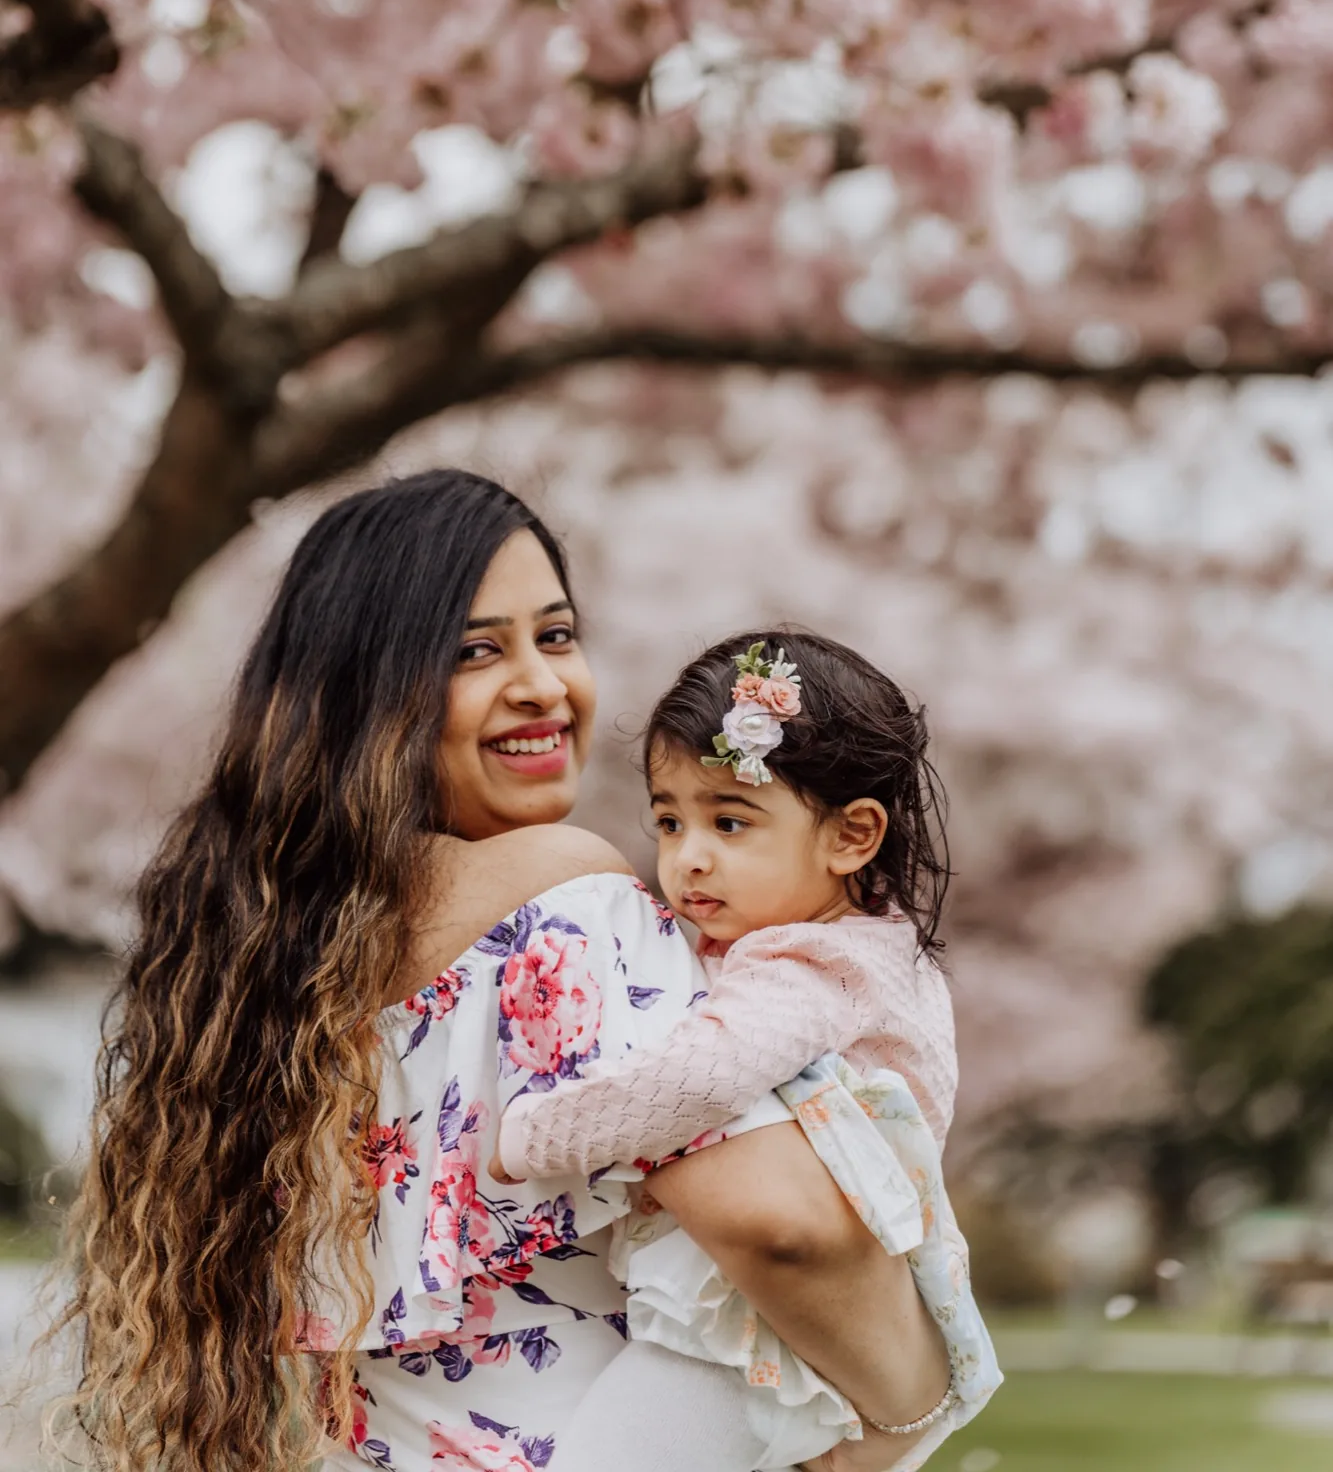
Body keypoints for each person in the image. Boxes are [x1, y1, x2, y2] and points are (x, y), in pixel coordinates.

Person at [53, 471, 950, 1472]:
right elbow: (780, 1225)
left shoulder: (262, 962)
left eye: (556, 635)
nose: (543, 684)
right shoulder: (565, 902)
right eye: (476, 650)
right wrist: (915, 1402)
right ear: (371, 688)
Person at [495, 633, 1000, 1469]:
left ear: (851, 836)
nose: (688, 857)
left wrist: (533, 1136)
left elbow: (700, 1077)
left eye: (730, 821)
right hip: (805, 1342)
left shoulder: (808, 967)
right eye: (669, 819)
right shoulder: (872, 951)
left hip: (737, 1344)